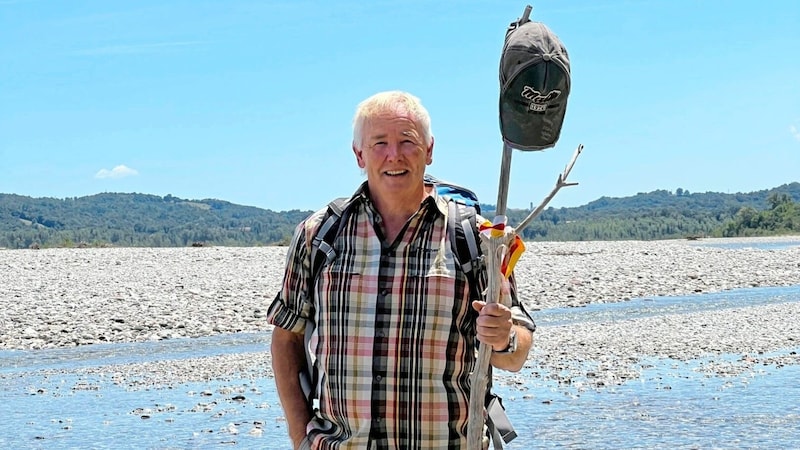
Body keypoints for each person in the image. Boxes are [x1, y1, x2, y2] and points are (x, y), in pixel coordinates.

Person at [268, 90, 535, 450]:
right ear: (359, 154)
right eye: (379, 143)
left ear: (429, 150)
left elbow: (516, 354)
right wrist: (300, 437)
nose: (394, 155)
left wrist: (503, 338)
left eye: (407, 141)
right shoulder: (319, 235)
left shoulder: (477, 239)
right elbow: (287, 338)